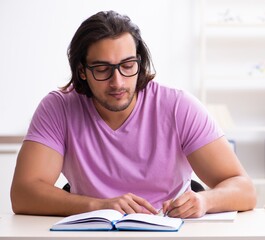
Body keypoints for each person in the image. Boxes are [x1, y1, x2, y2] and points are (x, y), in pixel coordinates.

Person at [11, 10, 256, 218]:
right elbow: (23, 193)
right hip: (92, 229)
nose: (117, 82)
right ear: (82, 71)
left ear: (140, 63)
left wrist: (205, 201)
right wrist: (98, 206)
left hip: (169, 227)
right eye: (102, 69)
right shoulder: (58, 108)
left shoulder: (178, 106)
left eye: (128, 66)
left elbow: (244, 189)